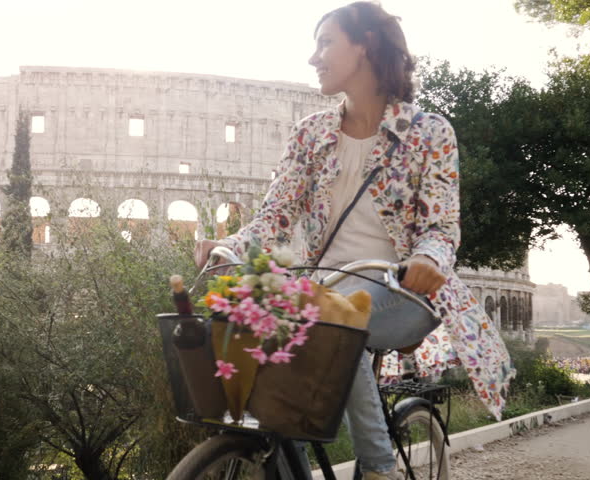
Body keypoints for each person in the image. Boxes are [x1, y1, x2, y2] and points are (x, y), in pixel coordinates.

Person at [194, 2, 515, 479]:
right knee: (255, 328)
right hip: (324, 288)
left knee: (336, 323)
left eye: (326, 43)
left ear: (364, 44)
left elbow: (441, 225)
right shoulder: (311, 135)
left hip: (405, 292)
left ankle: (381, 469)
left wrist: (429, 257)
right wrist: (230, 247)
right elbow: (275, 216)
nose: (314, 57)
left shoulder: (429, 133)